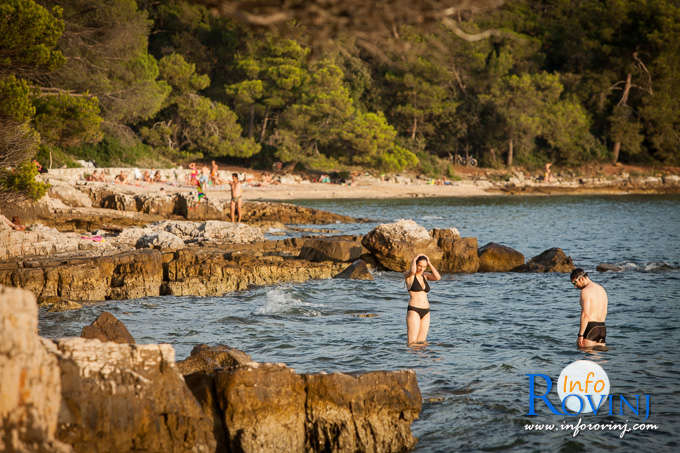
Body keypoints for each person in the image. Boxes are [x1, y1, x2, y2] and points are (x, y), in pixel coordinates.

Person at [404, 254, 441, 345]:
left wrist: (429, 263)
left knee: (422, 343)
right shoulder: (409, 276)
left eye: (424, 267)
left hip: (426, 312)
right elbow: (412, 271)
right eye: (419, 265)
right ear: (415, 264)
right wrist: (415, 258)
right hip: (414, 310)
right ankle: (410, 359)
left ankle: (421, 360)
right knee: (412, 343)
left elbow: (438, 277)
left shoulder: (425, 276)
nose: (421, 268)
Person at [571, 268, 608, 348]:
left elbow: (585, 315)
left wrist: (580, 335)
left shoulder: (585, 291)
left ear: (582, 278)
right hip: (602, 328)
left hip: (590, 328)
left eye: (575, 282)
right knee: (599, 359)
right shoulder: (602, 289)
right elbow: (605, 312)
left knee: (585, 358)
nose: (575, 286)